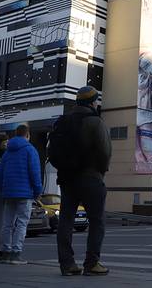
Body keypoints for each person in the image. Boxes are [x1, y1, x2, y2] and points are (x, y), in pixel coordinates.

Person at [51, 86, 113, 277]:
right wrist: (100, 172)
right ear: (93, 102)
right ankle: (92, 263)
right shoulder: (95, 122)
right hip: (90, 177)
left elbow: (52, 150)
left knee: (66, 221)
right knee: (97, 221)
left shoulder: (62, 121)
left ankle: (67, 264)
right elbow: (105, 151)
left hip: (67, 178)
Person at [0, 125, 42, 265]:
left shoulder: (7, 152)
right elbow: (35, 173)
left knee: (7, 223)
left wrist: (3, 189)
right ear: (28, 135)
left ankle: (5, 253)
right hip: (25, 193)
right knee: (22, 223)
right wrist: (37, 191)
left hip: (9, 192)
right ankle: (16, 254)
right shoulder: (30, 150)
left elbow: (0, 174)